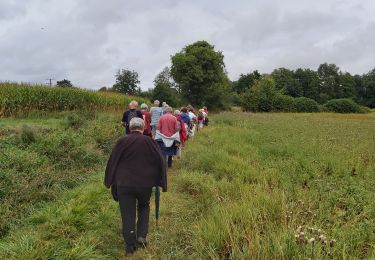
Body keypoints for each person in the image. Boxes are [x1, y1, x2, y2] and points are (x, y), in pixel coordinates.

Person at [104, 117, 167, 257]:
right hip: (145, 184)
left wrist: (110, 181)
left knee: (127, 213)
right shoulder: (150, 141)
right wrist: (160, 181)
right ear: (144, 128)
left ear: (130, 127)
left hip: (124, 184)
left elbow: (113, 161)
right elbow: (160, 161)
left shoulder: (122, 141)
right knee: (144, 206)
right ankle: (141, 236)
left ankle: (130, 246)